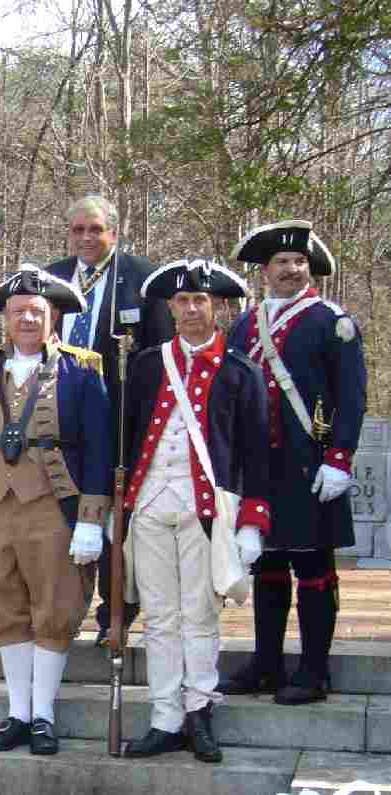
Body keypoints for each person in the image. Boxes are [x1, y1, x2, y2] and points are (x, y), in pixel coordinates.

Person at [121, 260, 270, 763]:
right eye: (181, 301)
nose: (189, 309)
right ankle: (165, 717)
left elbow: (256, 453)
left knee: (200, 615)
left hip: (208, 507)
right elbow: (129, 437)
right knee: (160, 616)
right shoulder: (146, 365)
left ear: (216, 306)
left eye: (199, 300)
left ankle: (198, 712)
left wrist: (253, 521)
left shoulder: (240, 371)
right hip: (150, 501)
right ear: (170, 307)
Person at [221, 220, 367, 705]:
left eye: (299, 262)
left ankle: (313, 670)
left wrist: (340, 459)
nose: (291, 269)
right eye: (281, 263)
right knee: (266, 567)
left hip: (311, 464)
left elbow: (352, 394)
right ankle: (266, 663)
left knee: (313, 567)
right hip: (260, 468)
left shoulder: (331, 321)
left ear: (311, 270)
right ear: (265, 272)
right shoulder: (245, 324)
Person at [0, 266, 111, 755]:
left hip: (55, 506)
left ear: (52, 317)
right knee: (5, 605)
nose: (27, 320)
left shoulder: (81, 369)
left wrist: (92, 520)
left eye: (36, 312)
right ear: (5, 320)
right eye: (18, 313)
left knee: (55, 606)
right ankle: (17, 712)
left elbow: (99, 447)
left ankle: (43, 716)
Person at [44, 194, 175, 647]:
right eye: (77, 230)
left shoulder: (142, 280)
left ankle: (115, 614)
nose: (85, 238)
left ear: (113, 233)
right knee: (66, 516)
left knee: (116, 522)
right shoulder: (53, 277)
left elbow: (162, 354)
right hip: (61, 417)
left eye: (95, 230)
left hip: (123, 416)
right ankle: (61, 614)